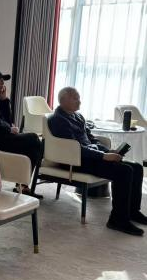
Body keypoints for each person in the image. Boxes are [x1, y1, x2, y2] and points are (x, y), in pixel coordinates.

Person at [49, 87, 146, 236]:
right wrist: (103, 156)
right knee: (124, 171)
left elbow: (91, 139)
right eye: (75, 98)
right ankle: (117, 220)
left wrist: (108, 151)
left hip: (89, 157)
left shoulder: (78, 116)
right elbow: (74, 148)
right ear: (63, 101)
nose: (79, 101)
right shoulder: (58, 120)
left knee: (137, 167)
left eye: (79, 98)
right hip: (74, 160)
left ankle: (132, 211)